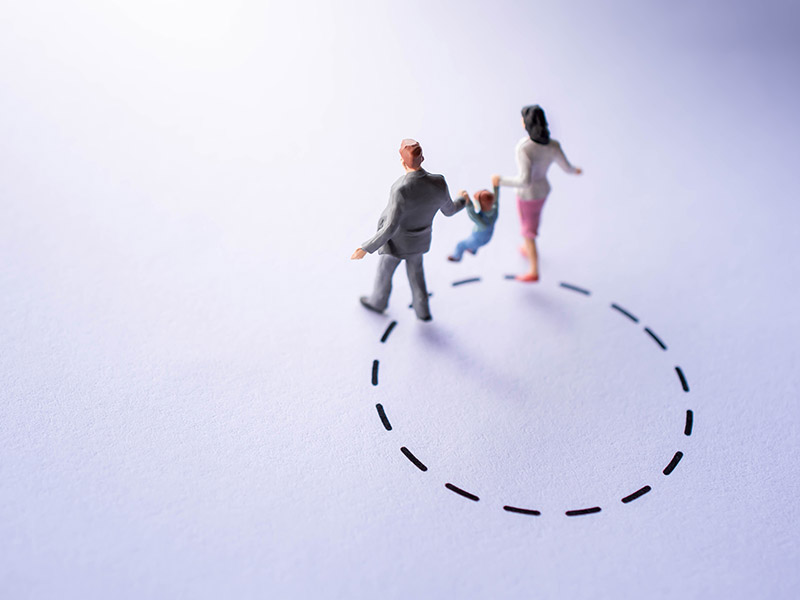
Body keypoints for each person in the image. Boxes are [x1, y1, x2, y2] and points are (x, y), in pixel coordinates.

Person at [351, 139, 467, 321]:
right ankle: (423, 311)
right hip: (420, 241)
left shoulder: (401, 190)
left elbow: (390, 226)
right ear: (422, 158)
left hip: (397, 245)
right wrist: (463, 200)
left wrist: (366, 247)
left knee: (384, 272)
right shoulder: (439, 183)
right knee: (417, 276)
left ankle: (378, 302)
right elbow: (450, 210)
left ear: (402, 161)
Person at [493, 105, 582, 282]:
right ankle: (528, 248)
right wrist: (574, 171)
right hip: (543, 190)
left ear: (526, 123)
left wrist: (500, 181)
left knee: (528, 231)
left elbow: (524, 180)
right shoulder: (553, 145)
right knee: (532, 223)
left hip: (528, 195)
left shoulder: (524, 148)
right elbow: (567, 167)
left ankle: (534, 269)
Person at [447, 186, 499, 262]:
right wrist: (496, 187)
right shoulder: (495, 211)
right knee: (474, 243)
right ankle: (473, 251)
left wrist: (468, 202)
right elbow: (496, 200)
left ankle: (456, 257)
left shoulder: (482, 223)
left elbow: (472, 214)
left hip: (477, 239)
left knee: (460, 245)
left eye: (476, 202)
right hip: (486, 238)